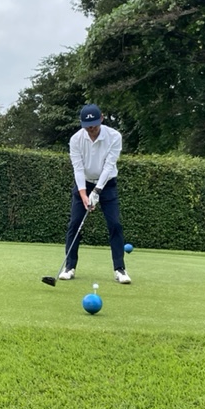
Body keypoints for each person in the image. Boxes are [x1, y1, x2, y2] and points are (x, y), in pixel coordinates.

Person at [58, 104, 131, 284]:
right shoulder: (76, 139)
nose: (91, 129)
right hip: (84, 184)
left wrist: (97, 191)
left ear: (102, 119)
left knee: (115, 224)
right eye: (87, 126)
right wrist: (84, 195)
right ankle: (69, 267)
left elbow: (109, 166)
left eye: (94, 125)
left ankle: (120, 269)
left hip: (107, 184)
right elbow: (78, 168)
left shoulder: (114, 136)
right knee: (74, 224)